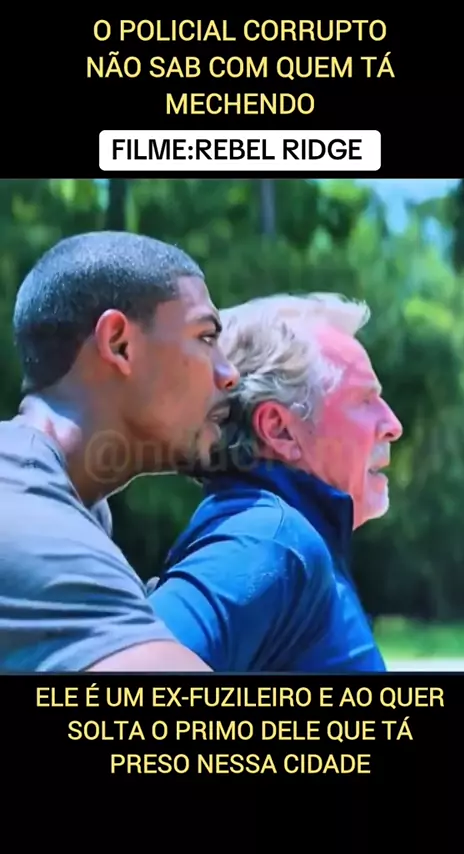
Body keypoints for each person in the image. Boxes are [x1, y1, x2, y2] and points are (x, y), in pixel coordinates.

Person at [0, 230, 238, 672]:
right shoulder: (26, 515)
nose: (229, 373)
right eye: (206, 337)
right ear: (119, 344)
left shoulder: (62, 499)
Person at [149, 292, 403, 672]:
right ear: (279, 429)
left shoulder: (281, 536)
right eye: (364, 401)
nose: (392, 425)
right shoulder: (269, 541)